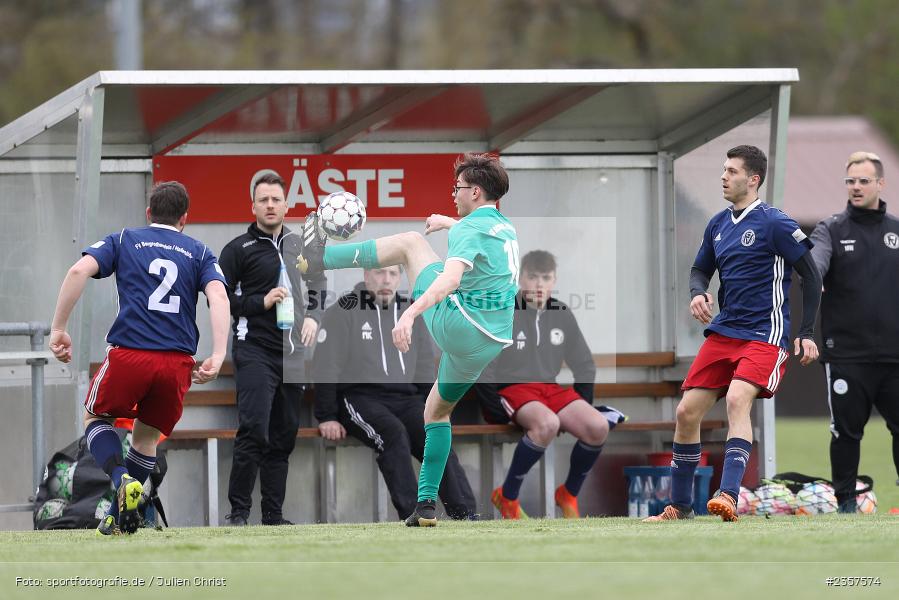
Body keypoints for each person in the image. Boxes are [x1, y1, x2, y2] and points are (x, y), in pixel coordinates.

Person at [297, 152, 518, 527]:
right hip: (490, 342)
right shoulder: (504, 227)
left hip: (459, 325)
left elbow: (449, 280)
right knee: (435, 413)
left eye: (458, 188)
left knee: (410, 243)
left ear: (476, 192)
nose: (454, 193)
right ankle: (427, 507)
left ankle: (316, 259)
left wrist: (410, 314)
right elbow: (475, 235)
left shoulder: (468, 229)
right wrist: (448, 222)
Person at [644, 145, 822, 522]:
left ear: (753, 179)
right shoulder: (718, 224)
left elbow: (811, 274)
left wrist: (806, 331)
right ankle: (680, 507)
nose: (723, 176)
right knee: (686, 412)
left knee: (738, 399)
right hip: (725, 331)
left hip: (765, 334)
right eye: (723, 170)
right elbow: (698, 270)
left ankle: (728, 495)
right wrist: (697, 293)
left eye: (731, 171)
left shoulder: (775, 223)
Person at [48, 181, 230, 535]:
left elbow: (76, 271)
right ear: (184, 219)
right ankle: (118, 517)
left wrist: (58, 328)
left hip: (130, 354)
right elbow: (219, 297)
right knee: (145, 439)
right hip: (177, 364)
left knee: (95, 417)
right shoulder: (200, 251)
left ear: (149, 213)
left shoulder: (125, 239)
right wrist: (219, 354)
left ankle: (120, 481)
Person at [313, 266, 477, 520]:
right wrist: (326, 415)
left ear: (399, 277)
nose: (386, 280)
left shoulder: (410, 311)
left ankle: (465, 514)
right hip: (359, 399)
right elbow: (326, 365)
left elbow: (423, 366)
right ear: (366, 275)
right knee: (394, 435)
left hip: (407, 399)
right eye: (379, 273)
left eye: (392, 274)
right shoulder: (343, 310)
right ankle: (416, 515)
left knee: (434, 435)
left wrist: (436, 409)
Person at [477, 250, 626, 519]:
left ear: (554, 280)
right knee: (547, 424)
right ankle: (507, 496)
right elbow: (483, 366)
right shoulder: (504, 311)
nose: (539, 284)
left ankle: (568, 493)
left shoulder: (561, 313)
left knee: (597, 426)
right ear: (520, 278)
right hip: (514, 389)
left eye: (545, 278)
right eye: (532, 277)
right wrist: (495, 410)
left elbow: (584, 364)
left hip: (550, 390)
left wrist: (581, 404)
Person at [219, 171, 327, 526]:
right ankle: (238, 513)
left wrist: (314, 317)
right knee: (254, 429)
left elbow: (319, 284)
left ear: (286, 205)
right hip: (255, 350)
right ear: (253, 206)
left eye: (275, 199)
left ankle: (273, 516)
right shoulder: (237, 249)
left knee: (283, 435)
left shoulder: (301, 245)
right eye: (263, 200)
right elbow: (220, 300)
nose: (269, 205)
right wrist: (260, 301)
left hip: (293, 353)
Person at [809, 151, 899, 512]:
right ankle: (845, 503)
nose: (856, 187)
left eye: (863, 180)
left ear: (880, 183)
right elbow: (816, 259)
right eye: (850, 181)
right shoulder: (830, 229)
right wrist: (815, 274)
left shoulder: (896, 230)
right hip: (846, 354)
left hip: (894, 355)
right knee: (845, 433)